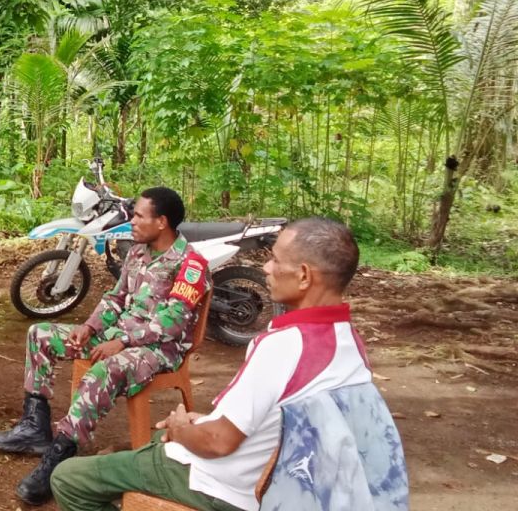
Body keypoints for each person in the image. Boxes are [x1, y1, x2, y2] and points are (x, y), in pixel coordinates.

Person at [50, 217, 374, 511]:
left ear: (303, 275)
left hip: (221, 484)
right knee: (143, 445)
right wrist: (209, 419)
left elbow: (218, 442)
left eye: (275, 260)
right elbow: (277, 419)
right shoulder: (350, 344)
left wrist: (181, 430)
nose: (266, 268)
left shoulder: (284, 346)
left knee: (68, 478)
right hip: (270, 473)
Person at [0, 187, 210, 505]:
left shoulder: (190, 264)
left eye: (138, 215)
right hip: (119, 337)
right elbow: (117, 299)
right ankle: (35, 427)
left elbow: (173, 323)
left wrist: (123, 341)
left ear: (161, 222)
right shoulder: (137, 251)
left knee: (104, 371)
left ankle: (59, 458)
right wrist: (90, 326)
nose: (131, 221)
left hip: (159, 349)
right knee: (40, 334)